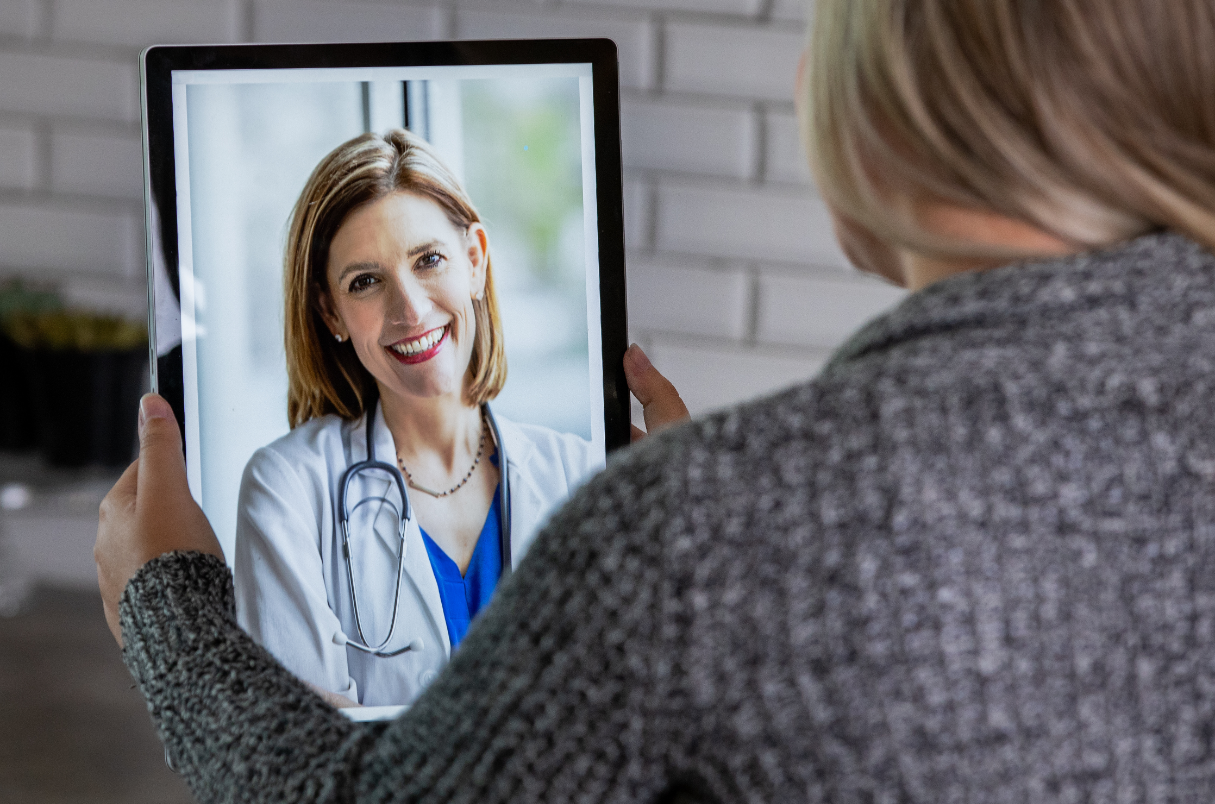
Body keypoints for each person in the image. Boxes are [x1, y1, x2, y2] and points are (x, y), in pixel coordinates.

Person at [96, 0, 1215, 801]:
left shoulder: (680, 522)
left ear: (865, 123)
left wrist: (169, 605)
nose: (405, 303)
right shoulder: (309, 483)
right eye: (362, 280)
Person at [232, 129, 613, 708]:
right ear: (330, 311)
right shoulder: (287, 490)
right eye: (366, 282)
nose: (409, 309)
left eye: (428, 260)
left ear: (476, 261)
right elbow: (302, 758)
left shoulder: (583, 475)